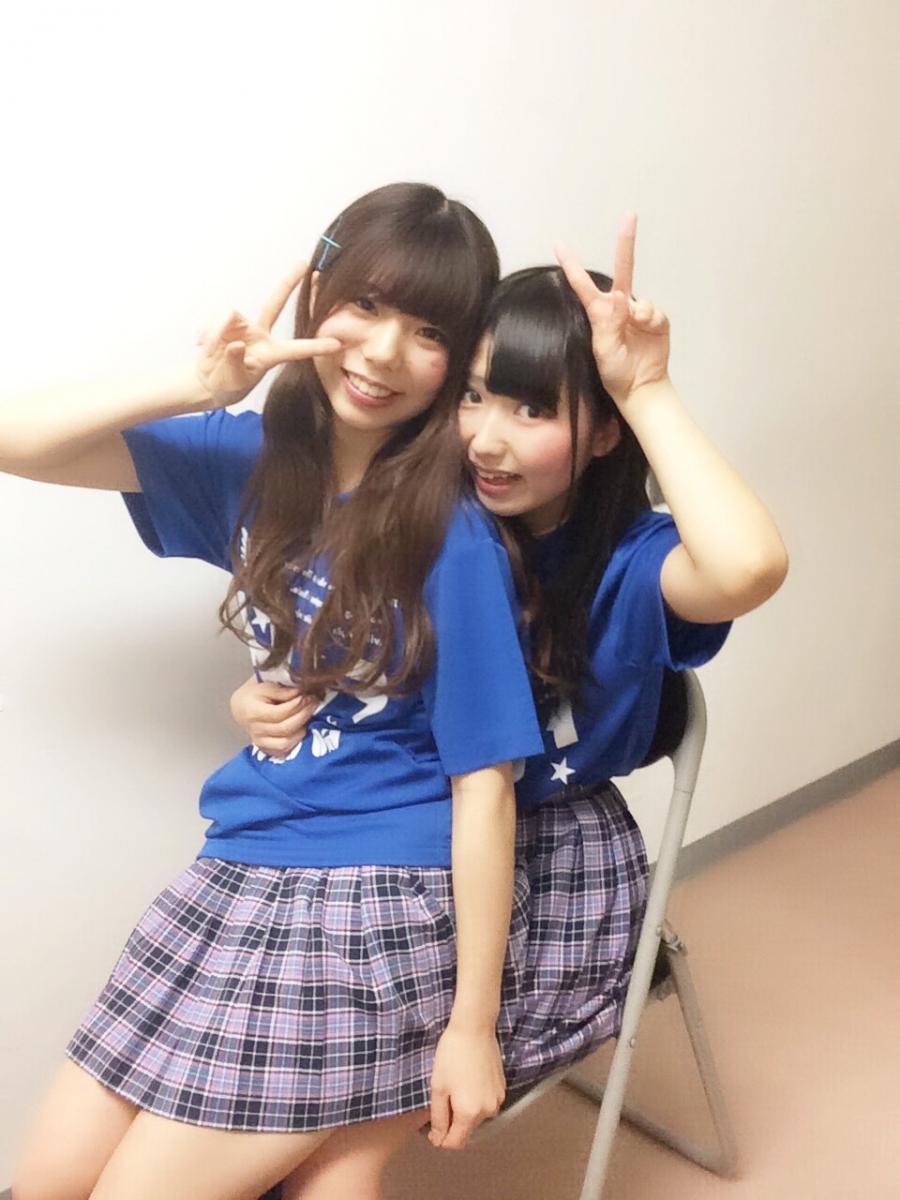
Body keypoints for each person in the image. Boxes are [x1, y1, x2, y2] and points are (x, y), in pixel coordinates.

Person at [5, 182, 548, 1200]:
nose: (384, 352)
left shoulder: (453, 538)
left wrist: (472, 1027)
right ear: (318, 299)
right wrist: (194, 383)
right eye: (366, 307)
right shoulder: (250, 461)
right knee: (42, 1184)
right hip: (242, 864)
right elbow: (14, 440)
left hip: (380, 890)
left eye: (430, 332)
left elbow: (485, 787)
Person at [228, 214, 788, 1198]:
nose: (486, 437)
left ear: (602, 430)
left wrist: (645, 388)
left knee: (323, 1156)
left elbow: (747, 566)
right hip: (399, 842)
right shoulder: (423, 518)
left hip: (548, 863)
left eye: (532, 409)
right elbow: (345, 666)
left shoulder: (632, 565)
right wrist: (258, 696)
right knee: (260, 1106)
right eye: (474, 395)